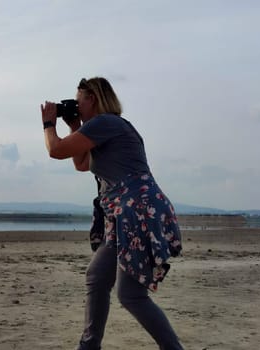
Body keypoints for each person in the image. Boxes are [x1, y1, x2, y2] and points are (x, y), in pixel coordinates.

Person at [40, 77, 183, 350]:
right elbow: (82, 164)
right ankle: (89, 346)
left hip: (137, 212)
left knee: (131, 295)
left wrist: (49, 123)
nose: (76, 105)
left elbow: (56, 150)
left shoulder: (107, 123)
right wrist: (73, 125)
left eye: (79, 100)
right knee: (97, 276)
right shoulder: (102, 128)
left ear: (92, 98)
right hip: (122, 216)